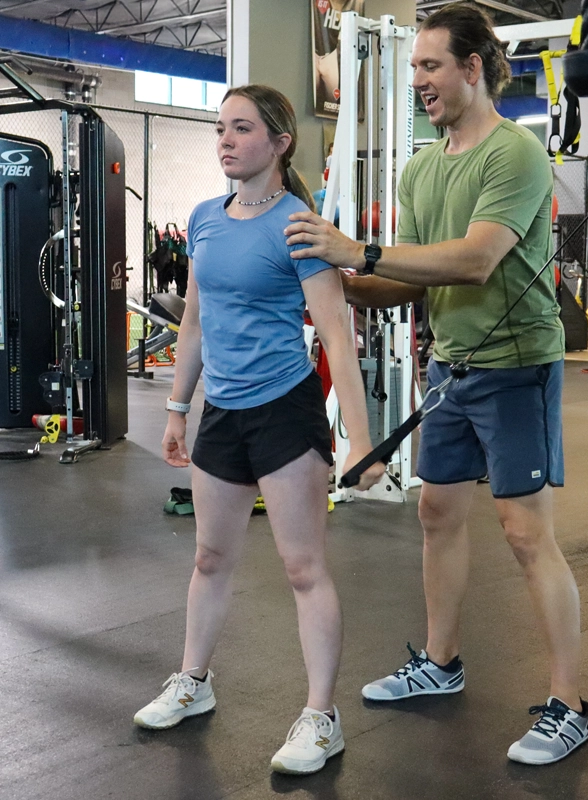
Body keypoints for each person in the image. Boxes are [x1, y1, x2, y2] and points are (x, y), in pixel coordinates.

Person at [283, 2, 588, 766]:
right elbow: (407, 278)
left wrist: (362, 248)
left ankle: (568, 703)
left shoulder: (513, 154)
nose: (418, 80)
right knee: (437, 513)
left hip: (517, 366)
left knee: (525, 534)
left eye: (429, 66)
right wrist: (339, 283)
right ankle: (442, 663)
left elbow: (475, 260)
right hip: (451, 365)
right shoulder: (423, 165)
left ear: (472, 68)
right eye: (415, 67)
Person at [133, 83, 384, 776]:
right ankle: (194, 680)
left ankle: (321, 717)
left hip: (283, 409)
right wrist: (178, 407)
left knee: (302, 569)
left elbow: (336, 333)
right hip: (224, 413)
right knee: (209, 559)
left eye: (241, 129)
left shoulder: (299, 225)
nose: (224, 140)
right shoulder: (206, 218)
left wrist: (360, 442)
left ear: (279, 142)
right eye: (220, 128)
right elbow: (194, 318)